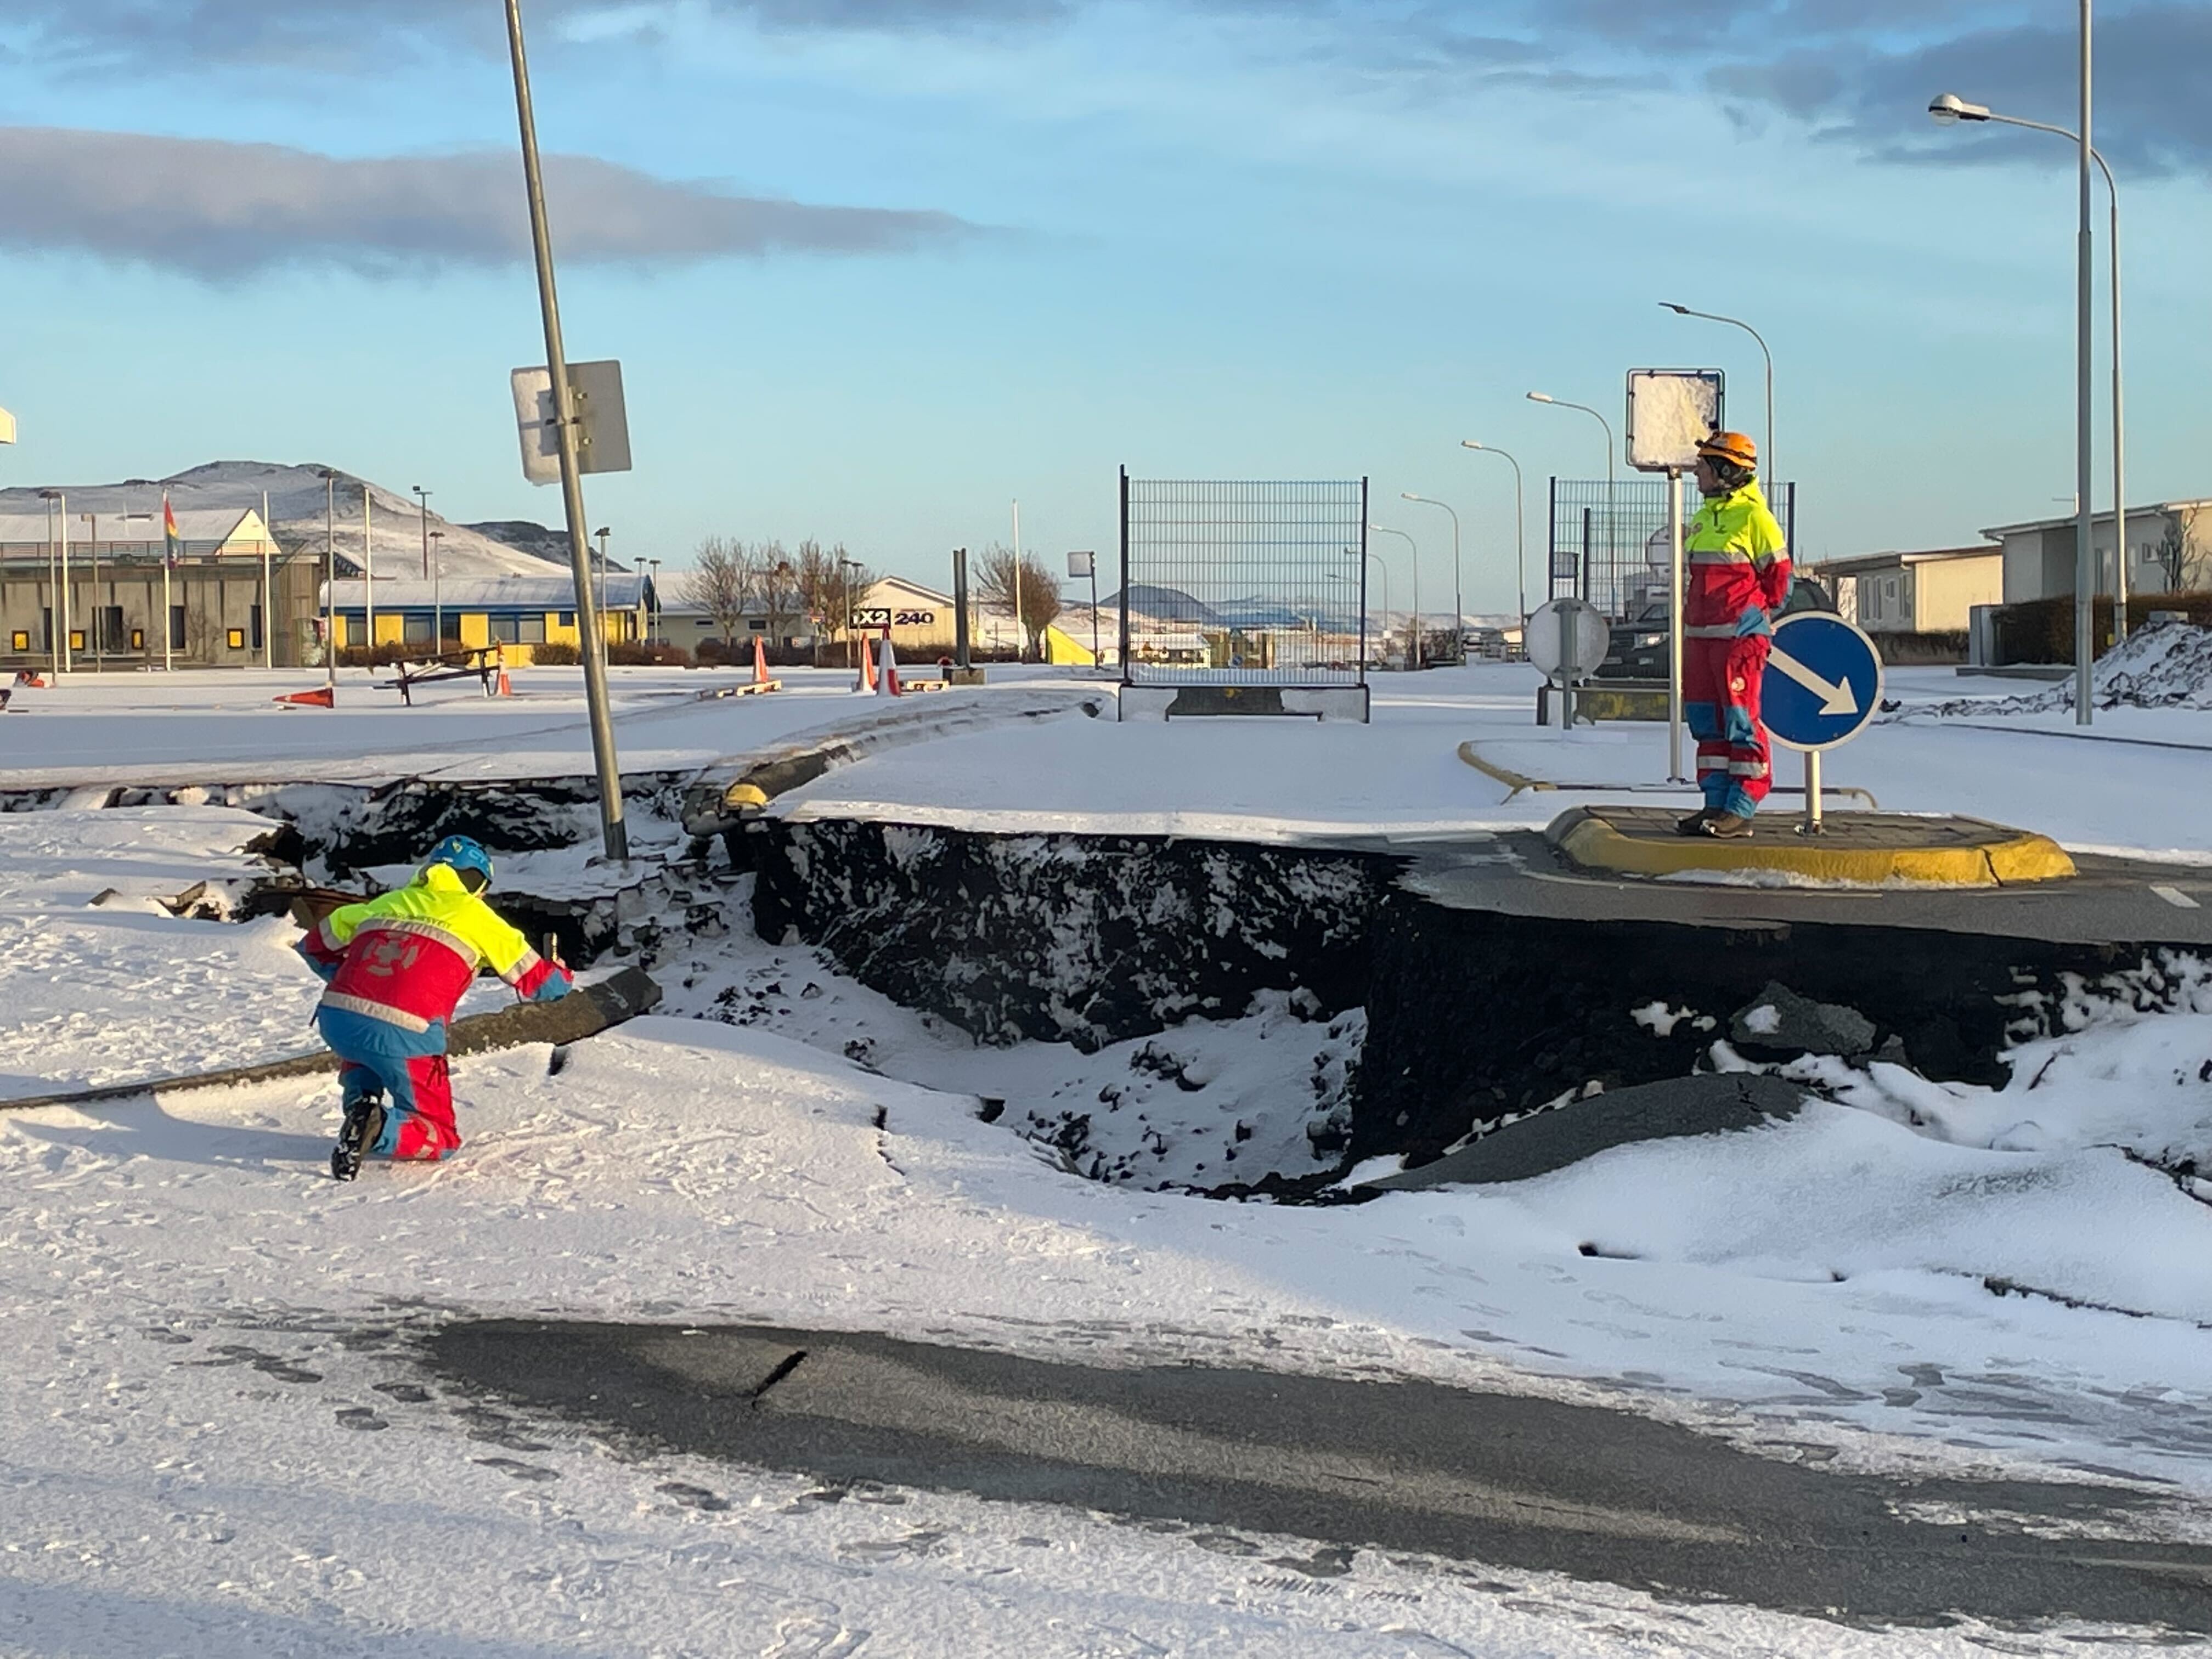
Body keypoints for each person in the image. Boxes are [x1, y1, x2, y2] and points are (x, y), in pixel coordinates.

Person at [297, 835, 571, 1181]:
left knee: (365, 1052)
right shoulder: (478, 917)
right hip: (406, 1027)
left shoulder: (388, 902)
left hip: (339, 1016)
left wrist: (350, 976)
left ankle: (359, 1111)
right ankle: (378, 1129)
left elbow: (312, 945)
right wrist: (562, 972)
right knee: (440, 1136)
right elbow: (545, 985)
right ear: (475, 883)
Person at [1677, 431, 1790, 839]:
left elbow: (1780, 584)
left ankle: (1741, 807)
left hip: (1738, 640)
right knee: (1707, 723)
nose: (1697, 474)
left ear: (1727, 471)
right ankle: (1715, 804)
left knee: (1741, 720)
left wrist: (1750, 620)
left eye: (1704, 467)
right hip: (1701, 638)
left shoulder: (1756, 518)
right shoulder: (1704, 517)